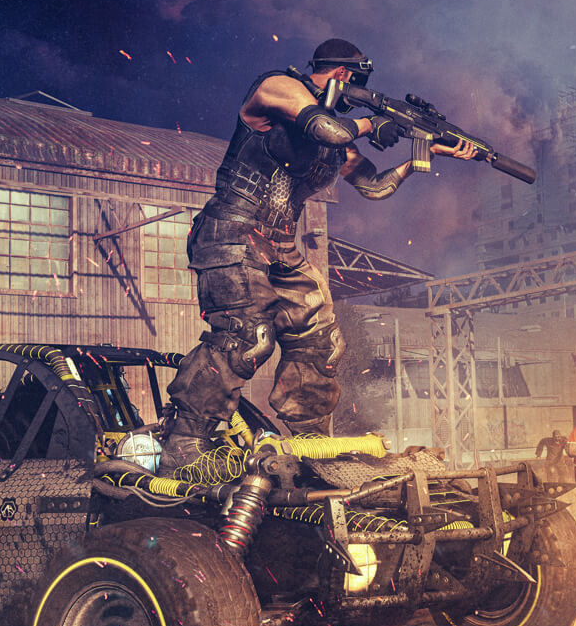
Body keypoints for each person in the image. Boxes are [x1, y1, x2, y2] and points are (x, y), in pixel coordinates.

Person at [160, 39, 473, 470]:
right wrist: (372, 124)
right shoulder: (277, 87)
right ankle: (184, 444)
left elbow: (374, 186)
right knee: (246, 337)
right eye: (355, 81)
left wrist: (425, 153)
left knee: (321, 341)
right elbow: (331, 129)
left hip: (279, 245)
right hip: (232, 232)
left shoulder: (334, 141)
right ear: (344, 75)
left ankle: (311, 445)